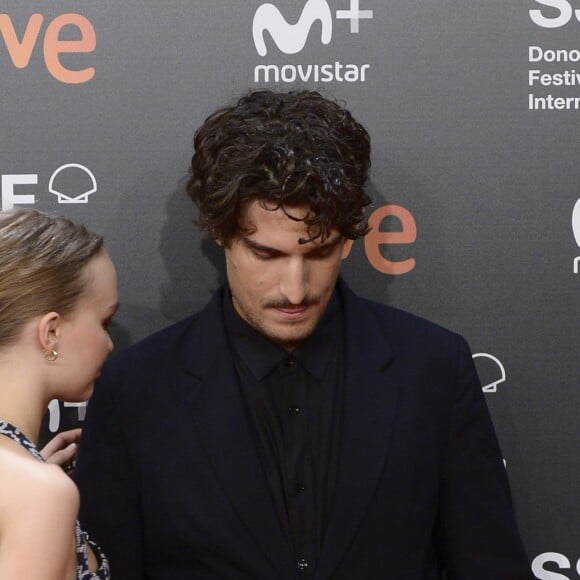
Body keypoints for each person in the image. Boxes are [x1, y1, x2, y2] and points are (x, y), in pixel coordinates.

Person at [75, 90, 533, 579]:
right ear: (220, 233)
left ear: (350, 238)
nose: (295, 289)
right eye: (267, 256)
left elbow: (491, 566)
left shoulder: (434, 369)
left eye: (319, 252)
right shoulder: (136, 389)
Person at [0, 208, 117, 579]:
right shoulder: (37, 493)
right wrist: (39, 496)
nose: (110, 344)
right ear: (51, 333)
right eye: (104, 322)